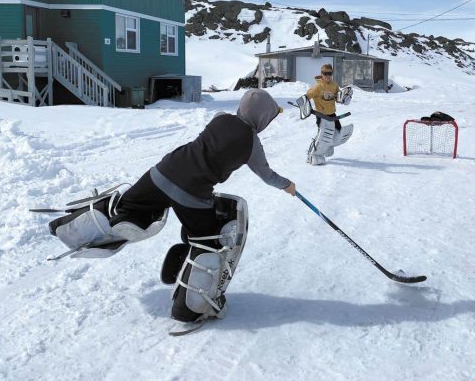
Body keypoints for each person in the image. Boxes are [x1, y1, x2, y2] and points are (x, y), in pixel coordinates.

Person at [46, 89, 295, 324]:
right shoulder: (252, 144)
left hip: (161, 174)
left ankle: (79, 226)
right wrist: (287, 185)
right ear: (262, 117)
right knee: (208, 243)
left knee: (123, 205)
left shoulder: (221, 118)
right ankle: (189, 308)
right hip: (193, 194)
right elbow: (267, 175)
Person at [300, 63, 353, 165]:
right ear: (322, 74)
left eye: (330, 73)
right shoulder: (318, 87)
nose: (328, 75)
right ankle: (312, 155)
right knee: (323, 135)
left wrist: (345, 98)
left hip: (332, 115)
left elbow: (338, 98)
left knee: (337, 133)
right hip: (321, 115)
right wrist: (304, 105)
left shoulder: (334, 85)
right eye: (325, 73)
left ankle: (326, 147)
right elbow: (307, 96)